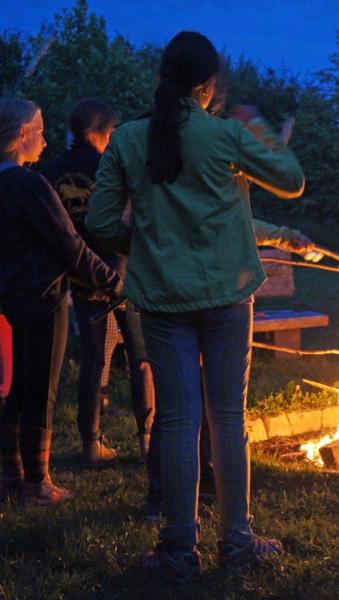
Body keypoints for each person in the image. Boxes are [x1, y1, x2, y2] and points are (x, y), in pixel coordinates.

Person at [86, 31, 308, 580]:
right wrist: (255, 125)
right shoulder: (225, 135)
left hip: (162, 300)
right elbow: (292, 180)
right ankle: (237, 543)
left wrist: (145, 245)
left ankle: (178, 549)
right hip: (228, 297)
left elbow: (98, 222)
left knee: (180, 420)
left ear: (163, 79)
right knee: (227, 418)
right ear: (207, 87)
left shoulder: (129, 140)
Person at [0, 98, 121, 506]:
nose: (47, 140)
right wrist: (111, 282)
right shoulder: (30, 185)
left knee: (17, 386)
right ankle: (38, 483)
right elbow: (69, 244)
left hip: (10, 298)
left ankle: (11, 476)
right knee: (41, 389)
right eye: (40, 130)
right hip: (43, 296)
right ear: (21, 135)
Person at [43, 98, 155, 467]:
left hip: (83, 275)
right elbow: (131, 215)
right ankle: (147, 442)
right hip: (125, 274)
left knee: (94, 360)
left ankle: (91, 444)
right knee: (142, 359)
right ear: (102, 132)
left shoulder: (53, 171)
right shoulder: (113, 165)